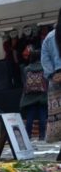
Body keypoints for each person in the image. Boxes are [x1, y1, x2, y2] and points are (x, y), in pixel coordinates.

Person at [40, 10, 61, 142]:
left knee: (58, 117)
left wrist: (52, 74)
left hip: (56, 79)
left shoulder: (50, 36)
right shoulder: (51, 37)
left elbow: (45, 58)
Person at [22, 48, 47, 140]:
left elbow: (24, 82)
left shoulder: (26, 69)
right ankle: (42, 136)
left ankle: (28, 135)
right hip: (42, 95)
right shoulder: (44, 68)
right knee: (42, 116)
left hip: (30, 96)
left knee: (30, 117)